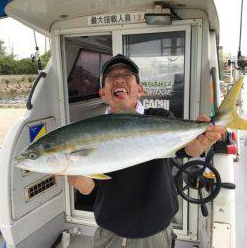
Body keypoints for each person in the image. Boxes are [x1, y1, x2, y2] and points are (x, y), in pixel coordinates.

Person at [68, 54, 226, 248]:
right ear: (102, 92)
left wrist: (202, 141)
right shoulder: (92, 129)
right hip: (111, 232)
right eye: (111, 77)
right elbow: (88, 187)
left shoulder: (160, 117)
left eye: (127, 75)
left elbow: (188, 150)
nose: (118, 79)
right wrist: (76, 178)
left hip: (156, 233)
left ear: (140, 90)